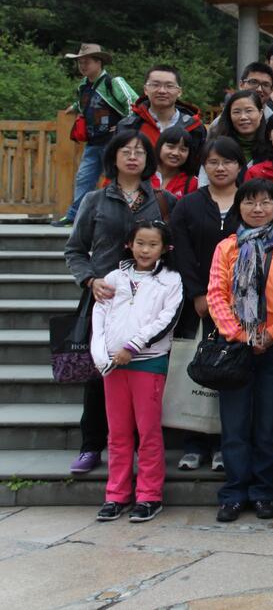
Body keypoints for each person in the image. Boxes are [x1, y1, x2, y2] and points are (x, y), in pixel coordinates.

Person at [64, 131, 177, 475]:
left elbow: (173, 247)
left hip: (148, 301)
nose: (132, 157)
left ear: (148, 159)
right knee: (99, 374)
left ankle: (144, 448)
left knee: (142, 375)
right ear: (113, 157)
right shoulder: (95, 200)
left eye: (139, 152)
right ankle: (91, 445)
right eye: (125, 151)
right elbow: (75, 250)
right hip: (105, 297)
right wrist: (90, 279)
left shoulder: (162, 200)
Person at [207, 179, 273, 522]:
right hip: (234, 347)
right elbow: (216, 294)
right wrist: (239, 335)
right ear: (239, 207)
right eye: (250, 202)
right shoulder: (227, 247)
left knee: (267, 424)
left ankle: (263, 491)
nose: (258, 209)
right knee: (234, 425)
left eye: (265, 202)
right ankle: (233, 493)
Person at [90, 220, 183, 524]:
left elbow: (166, 320)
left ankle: (148, 495)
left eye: (152, 244)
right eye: (140, 242)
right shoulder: (114, 277)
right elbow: (100, 315)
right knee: (117, 433)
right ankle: (115, 494)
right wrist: (100, 354)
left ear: (164, 248)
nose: (145, 249)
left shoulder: (170, 280)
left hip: (148, 363)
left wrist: (132, 346)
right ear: (129, 243)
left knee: (148, 433)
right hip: (112, 366)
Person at [169, 137, 243, 471]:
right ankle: (195, 442)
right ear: (203, 165)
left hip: (241, 305)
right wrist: (197, 293)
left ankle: (223, 443)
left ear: (239, 165)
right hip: (198, 303)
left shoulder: (250, 200)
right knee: (198, 367)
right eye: (213, 162)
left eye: (227, 161)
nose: (220, 168)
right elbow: (181, 251)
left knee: (229, 371)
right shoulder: (188, 205)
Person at [56, 43, 138, 226]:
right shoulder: (84, 86)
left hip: (115, 141)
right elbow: (83, 103)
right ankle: (76, 216)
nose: (83, 66)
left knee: (115, 178)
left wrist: (124, 128)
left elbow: (134, 104)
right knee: (84, 177)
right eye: (80, 63)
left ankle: (115, 215)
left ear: (99, 62)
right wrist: (73, 108)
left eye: (87, 62)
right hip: (94, 141)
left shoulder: (113, 82)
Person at [118, 64, 206, 158]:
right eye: (155, 85)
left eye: (169, 86)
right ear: (145, 90)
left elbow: (199, 166)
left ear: (179, 92)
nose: (162, 91)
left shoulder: (195, 128)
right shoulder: (128, 126)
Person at [205, 90, 266, 171]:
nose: (243, 117)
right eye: (236, 112)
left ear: (260, 113)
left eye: (249, 111)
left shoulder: (272, 145)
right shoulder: (215, 145)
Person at [152, 127, 200, 197]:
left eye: (183, 150)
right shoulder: (143, 175)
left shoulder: (193, 183)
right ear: (159, 146)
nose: (176, 153)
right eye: (171, 147)